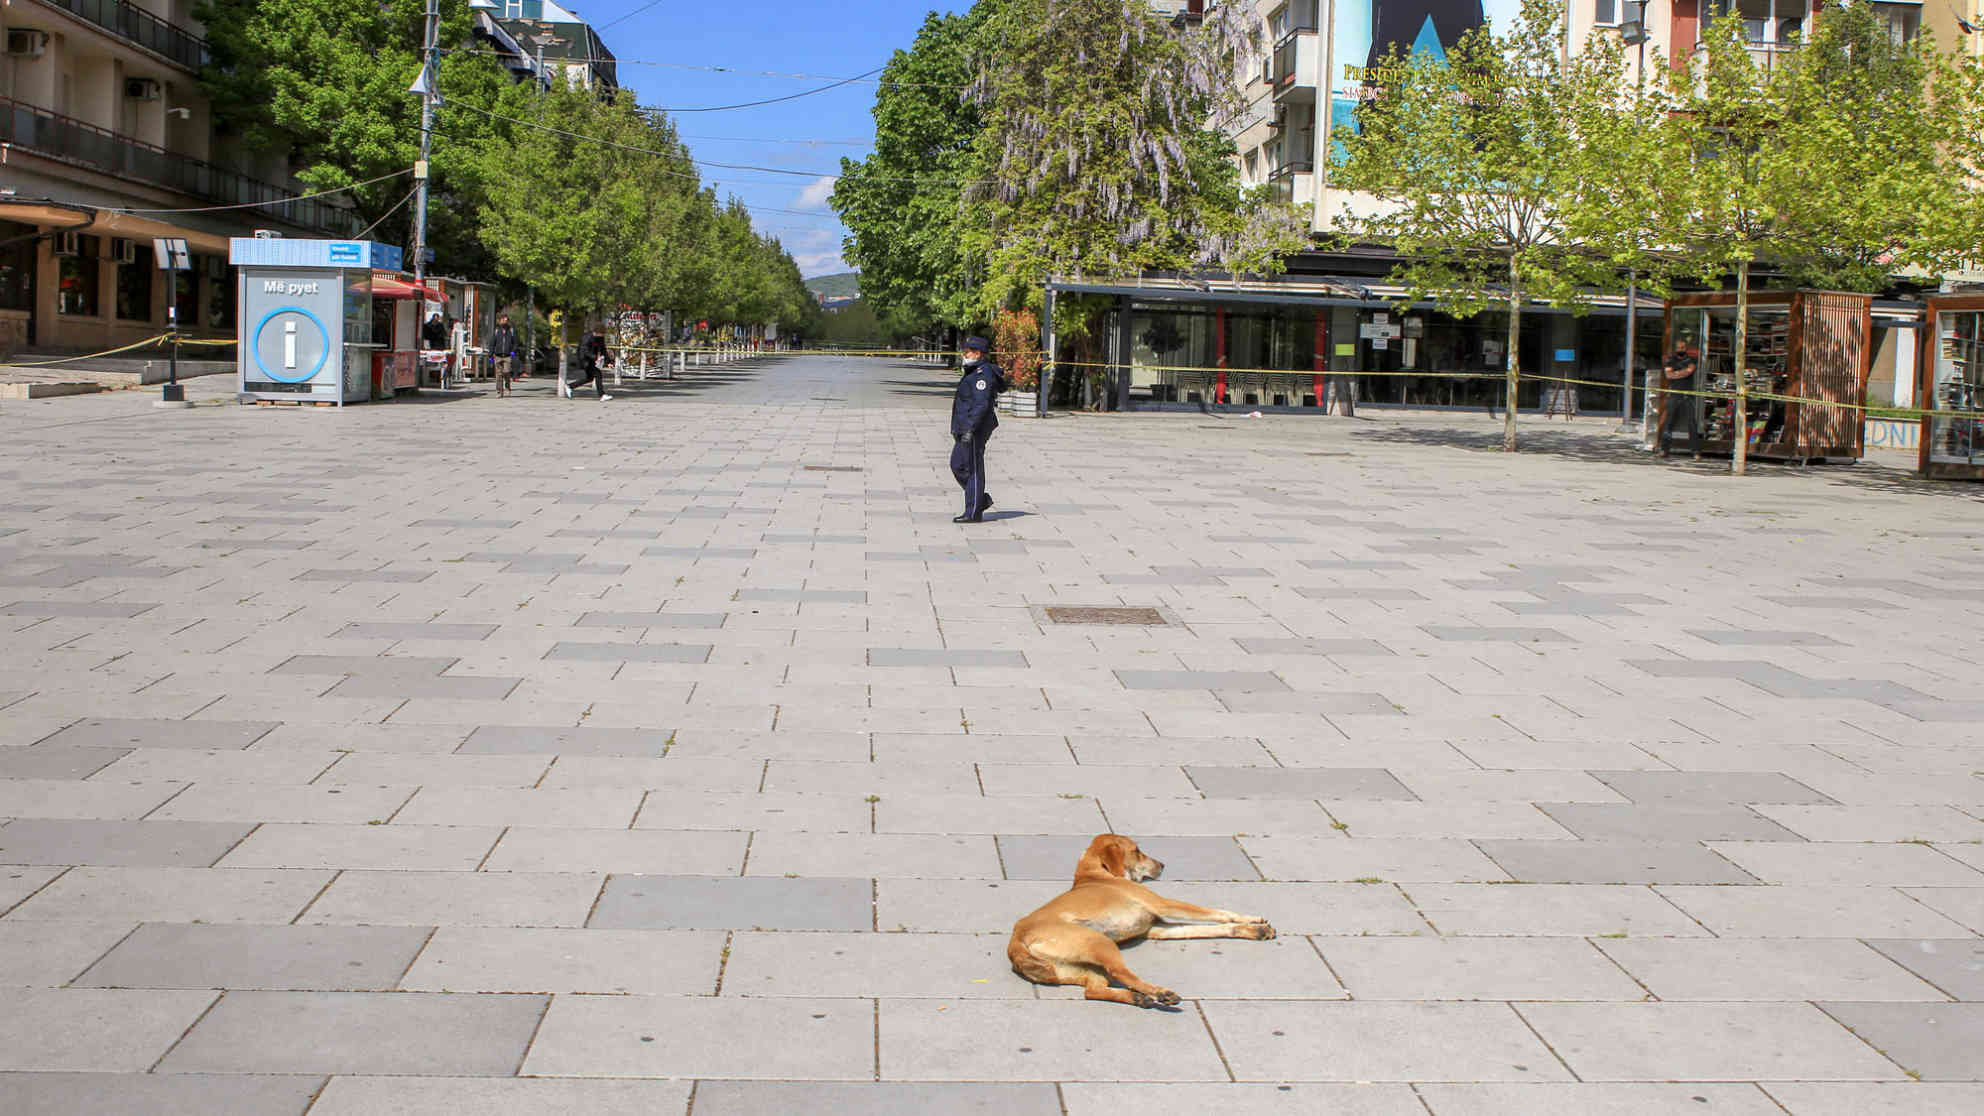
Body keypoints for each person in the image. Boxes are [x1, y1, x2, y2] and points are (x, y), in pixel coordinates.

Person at [949, 335, 1004, 523]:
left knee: (970, 468)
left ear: (978, 354)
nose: (965, 355)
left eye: (967, 352)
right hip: (964, 427)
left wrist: (970, 429)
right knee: (958, 465)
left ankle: (973, 512)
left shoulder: (983, 374)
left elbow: (981, 405)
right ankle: (979, 499)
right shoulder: (973, 371)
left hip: (974, 429)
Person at [1658, 343, 1702, 459]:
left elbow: (1690, 371)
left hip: (1688, 395)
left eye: (1682, 348)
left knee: (1691, 423)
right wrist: (1682, 372)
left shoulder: (1691, 359)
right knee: (1669, 422)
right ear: (1675, 349)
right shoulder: (1671, 360)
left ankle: (1695, 451)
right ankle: (1664, 449)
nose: (1680, 350)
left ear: (1686, 349)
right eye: (1678, 348)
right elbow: (1668, 375)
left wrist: (1676, 373)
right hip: (1674, 394)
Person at [566, 327, 615, 402]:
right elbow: (584, 351)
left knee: (589, 378)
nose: (603, 336)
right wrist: (595, 358)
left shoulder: (600, 338)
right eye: (602, 334)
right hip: (584, 360)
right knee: (598, 374)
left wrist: (608, 362)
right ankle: (602, 395)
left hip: (591, 359)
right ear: (597, 332)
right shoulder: (587, 338)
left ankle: (570, 386)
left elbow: (603, 349)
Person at [487, 313, 519, 398]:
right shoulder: (497, 331)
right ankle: (499, 391)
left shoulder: (511, 331)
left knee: (506, 371)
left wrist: (513, 351)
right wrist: (490, 355)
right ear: (500, 321)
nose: (505, 322)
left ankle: (507, 386)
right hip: (498, 355)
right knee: (498, 374)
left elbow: (515, 343)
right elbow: (492, 343)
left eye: (506, 320)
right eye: (503, 320)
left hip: (507, 356)